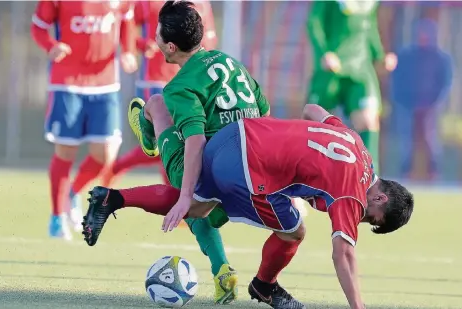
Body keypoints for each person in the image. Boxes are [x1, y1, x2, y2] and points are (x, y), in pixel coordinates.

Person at [82, 104, 414, 309]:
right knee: (295, 230)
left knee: (197, 204)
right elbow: (344, 253)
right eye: (371, 218)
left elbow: (312, 110)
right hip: (249, 168)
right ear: (380, 198)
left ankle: (112, 198)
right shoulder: (352, 195)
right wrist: (358, 306)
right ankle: (265, 286)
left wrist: (295, 159)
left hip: (240, 132)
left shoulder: (357, 144)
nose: (362, 218)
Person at [89, 1, 270, 304]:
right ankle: (221, 269)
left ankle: (149, 137)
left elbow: (196, 141)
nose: (154, 36)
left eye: (157, 33)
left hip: (221, 171)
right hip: (256, 177)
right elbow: (264, 117)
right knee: (203, 213)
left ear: (170, 47)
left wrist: (186, 195)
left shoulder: (179, 87)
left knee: (158, 106)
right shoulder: (231, 63)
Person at [31, 0, 138, 240]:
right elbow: (38, 26)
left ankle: (71, 192)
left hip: (106, 85)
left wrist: (129, 50)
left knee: (106, 155)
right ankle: (57, 217)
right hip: (67, 83)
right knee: (66, 152)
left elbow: (127, 20)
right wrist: (51, 45)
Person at [101, 0, 217, 187]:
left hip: (188, 81)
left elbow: (209, 40)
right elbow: (127, 26)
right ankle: (118, 167)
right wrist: (141, 44)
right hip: (155, 80)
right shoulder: (149, 2)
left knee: (179, 144)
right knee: (170, 142)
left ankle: (120, 167)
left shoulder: (202, 4)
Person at [306, 0, 398, 174]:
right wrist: (324, 53)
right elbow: (314, 23)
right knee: (319, 127)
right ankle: (313, 178)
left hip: (360, 70)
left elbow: (369, 28)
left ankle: (369, 179)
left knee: (368, 120)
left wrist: (380, 56)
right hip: (332, 70)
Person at [390, 19, 453, 180]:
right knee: (406, 140)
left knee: (431, 140)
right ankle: (405, 172)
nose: (422, 36)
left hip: (431, 106)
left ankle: (434, 173)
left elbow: (445, 82)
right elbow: (397, 79)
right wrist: (402, 100)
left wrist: (434, 102)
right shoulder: (406, 55)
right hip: (407, 104)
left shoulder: (440, 58)